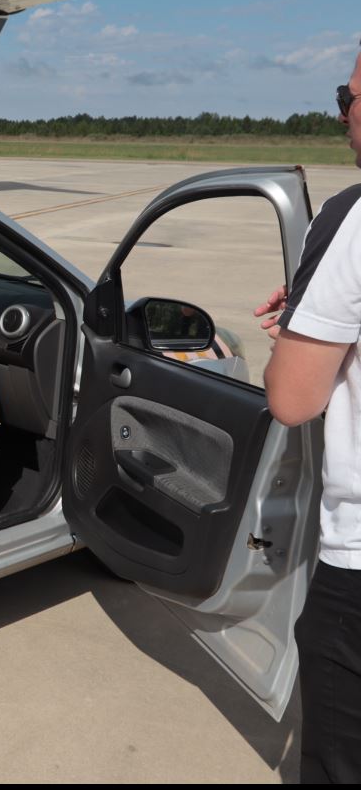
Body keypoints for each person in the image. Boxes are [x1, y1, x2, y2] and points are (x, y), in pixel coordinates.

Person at [255, 44, 361, 784]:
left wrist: (296, 336)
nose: (342, 112)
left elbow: (293, 400)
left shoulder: (353, 221)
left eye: (347, 97)